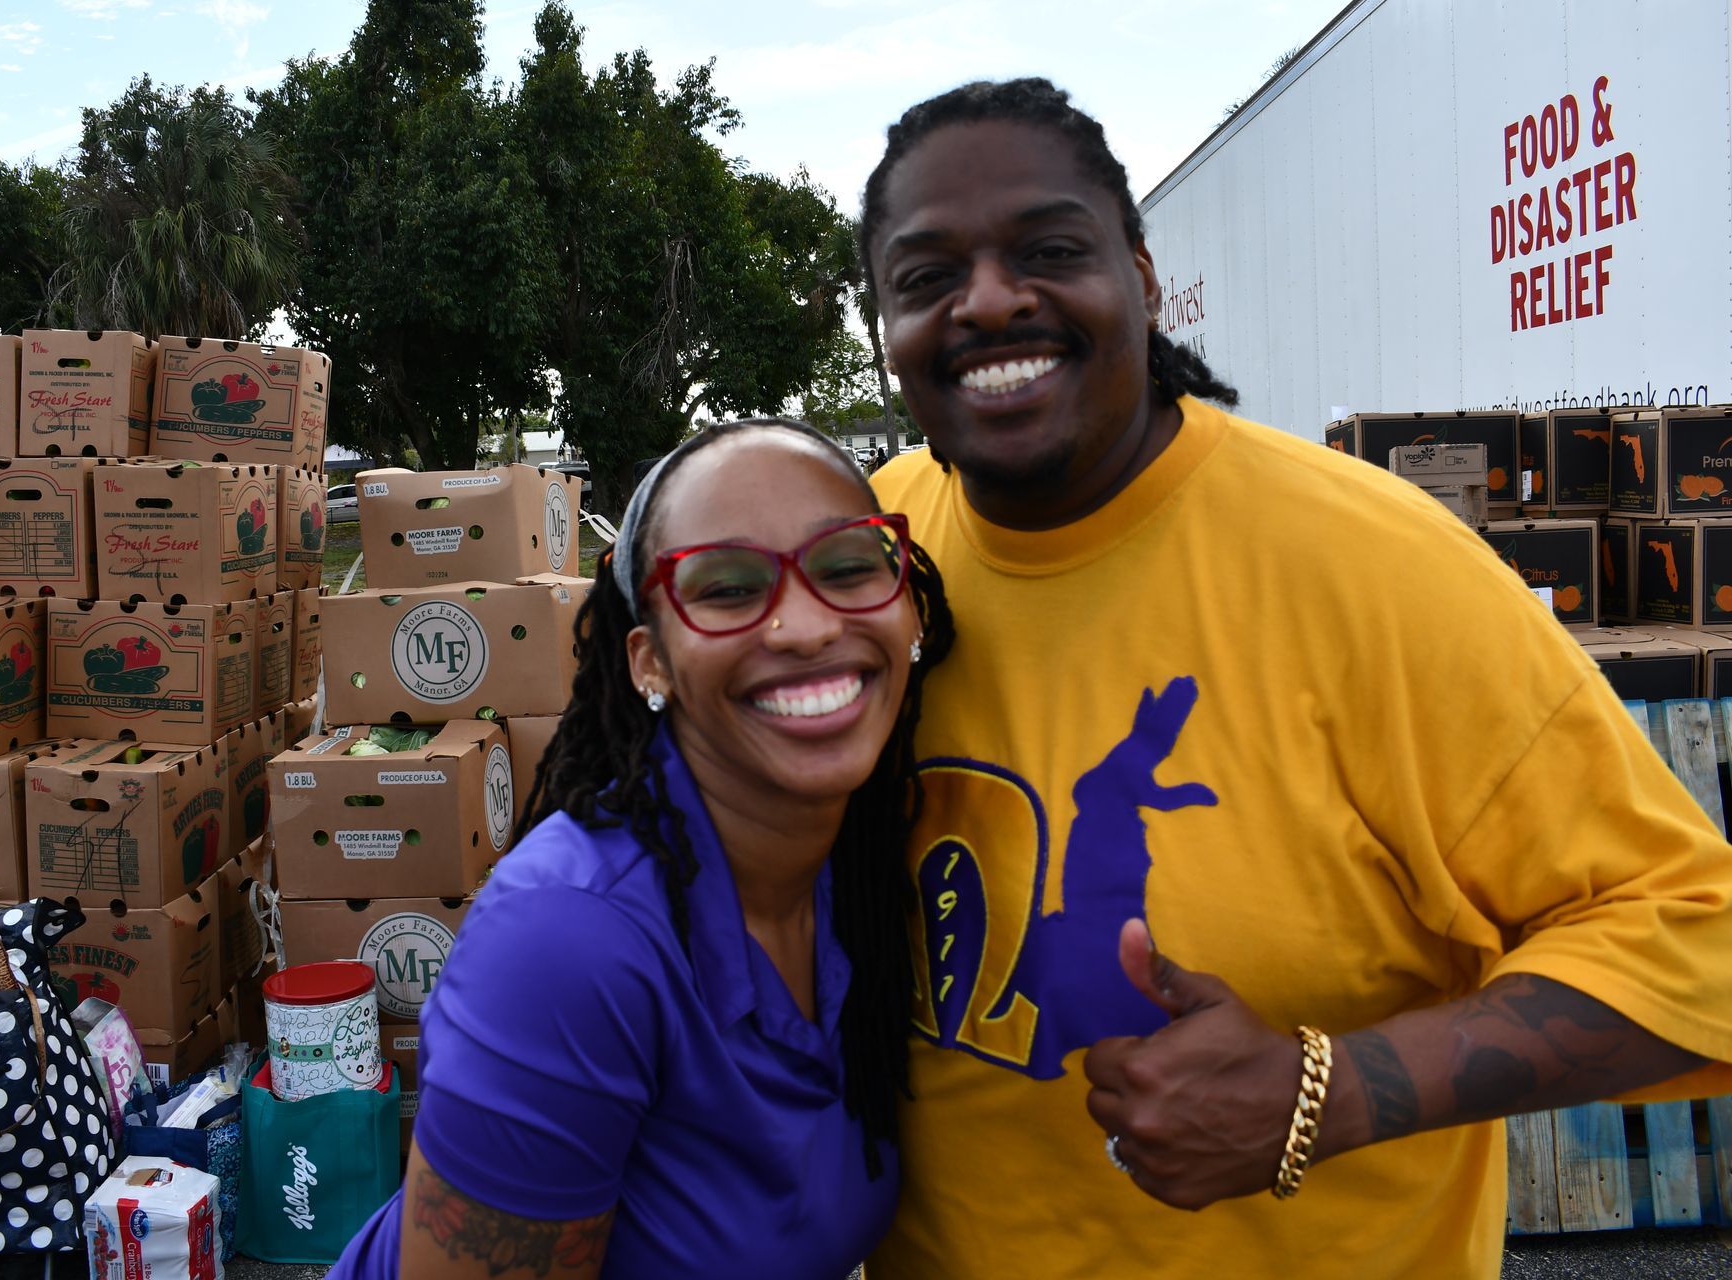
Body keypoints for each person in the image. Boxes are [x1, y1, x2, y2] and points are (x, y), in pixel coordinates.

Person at [856, 78, 1732, 1278]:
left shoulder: (1377, 569)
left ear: (1142, 278)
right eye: (926, 276)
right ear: (886, 326)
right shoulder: (864, 558)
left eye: (1050, 250)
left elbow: (1698, 933)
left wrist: (1330, 1089)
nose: (991, 298)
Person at [330, 417, 953, 1279]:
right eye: (727, 588)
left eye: (848, 567)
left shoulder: (864, 872)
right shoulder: (567, 942)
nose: (806, 626)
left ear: (909, 607)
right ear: (649, 662)